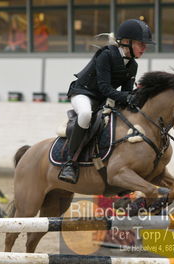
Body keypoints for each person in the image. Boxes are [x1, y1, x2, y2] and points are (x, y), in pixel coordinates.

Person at [58, 19, 155, 184]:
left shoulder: (132, 65)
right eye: (141, 44)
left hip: (103, 99)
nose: (144, 48)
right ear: (126, 42)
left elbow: (125, 93)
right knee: (86, 115)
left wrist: (139, 95)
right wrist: (127, 96)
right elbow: (104, 88)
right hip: (83, 93)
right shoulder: (106, 55)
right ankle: (69, 162)